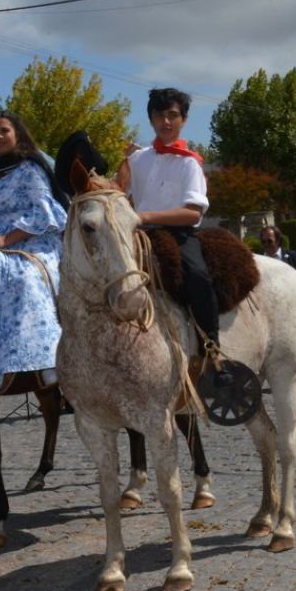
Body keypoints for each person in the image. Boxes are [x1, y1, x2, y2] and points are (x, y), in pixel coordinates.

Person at [118, 88, 229, 379]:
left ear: (184, 119)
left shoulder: (190, 162)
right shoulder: (137, 158)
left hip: (178, 234)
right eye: (159, 115)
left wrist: (145, 215)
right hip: (139, 234)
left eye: (172, 115)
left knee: (198, 276)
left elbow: (193, 213)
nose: (165, 121)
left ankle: (212, 347)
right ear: (151, 119)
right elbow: (120, 193)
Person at [0, 110, 68, 390]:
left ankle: (48, 360)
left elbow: (44, 213)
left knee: (24, 278)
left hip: (35, 240)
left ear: (16, 133)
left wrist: (6, 240)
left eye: (3, 130)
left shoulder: (31, 167)